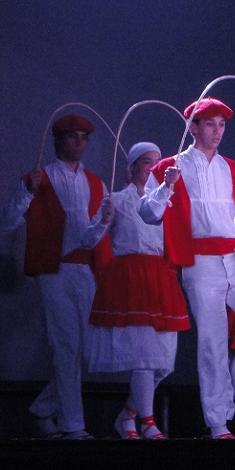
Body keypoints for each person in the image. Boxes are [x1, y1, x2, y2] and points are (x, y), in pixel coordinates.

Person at [138, 97, 235, 439]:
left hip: (233, 257)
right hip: (200, 262)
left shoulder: (231, 168)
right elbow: (147, 213)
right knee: (213, 341)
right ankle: (217, 421)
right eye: (210, 124)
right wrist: (166, 186)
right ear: (193, 127)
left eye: (222, 125)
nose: (217, 131)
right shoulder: (173, 166)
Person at [0, 114, 112, 440]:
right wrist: (26, 192)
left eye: (84, 137)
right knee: (66, 345)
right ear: (58, 140)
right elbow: (5, 223)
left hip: (84, 270)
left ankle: (43, 408)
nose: (80, 142)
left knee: (87, 350)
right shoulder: (40, 177)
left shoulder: (96, 183)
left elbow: (92, 237)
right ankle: (73, 425)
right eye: (73, 136)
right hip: (54, 270)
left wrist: (103, 226)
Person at [84, 142, 190, 439]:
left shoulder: (165, 198)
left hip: (160, 278)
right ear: (132, 168)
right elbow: (87, 240)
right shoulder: (116, 199)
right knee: (144, 357)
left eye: (157, 162)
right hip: (131, 278)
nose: (152, 168)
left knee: (164, 364)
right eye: (146, 162)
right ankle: (148, 422)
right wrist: (103, 220)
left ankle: (128, 415)